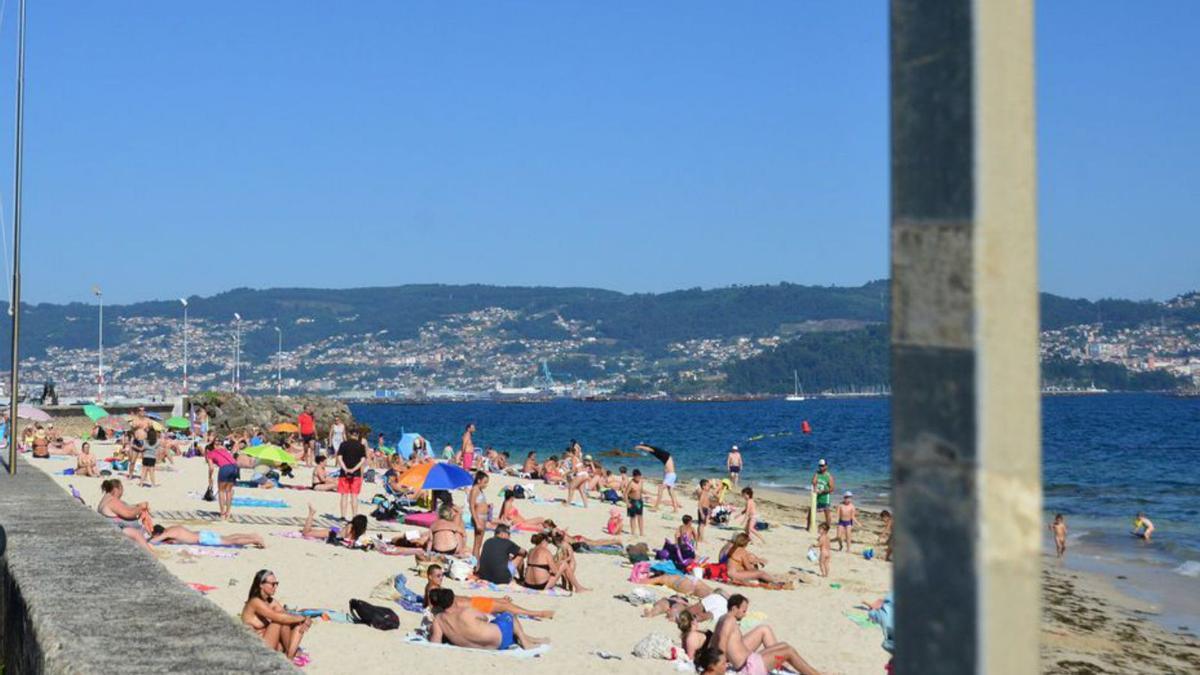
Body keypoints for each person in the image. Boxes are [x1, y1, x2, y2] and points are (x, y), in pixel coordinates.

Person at [713, 594, 819, 675]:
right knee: (788, 651)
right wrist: (720, 665)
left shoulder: (722, 619)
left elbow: (714, 641)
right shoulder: (729, 620)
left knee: (784, 645)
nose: (745, 614)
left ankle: (809, 672)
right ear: (734, 608)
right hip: (749, 667)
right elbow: (722, 640)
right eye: (744, 611)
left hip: (750, 660)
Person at [427, 588, 547, 651]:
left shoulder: (439, 620)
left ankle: (530, 639)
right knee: (508, 614)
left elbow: (435, 642)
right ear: (453, 599)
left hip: (489, 646)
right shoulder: (466, 611)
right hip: (501, 640)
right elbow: (485, 618)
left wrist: (430, 631)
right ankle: (526, 642)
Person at [423, 564, 554, 619]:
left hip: (471, 602)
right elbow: (432, 608)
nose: (441, 578)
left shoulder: (431, 588)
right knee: (505, 606)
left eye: (442, 575)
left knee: (500, 602)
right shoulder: (432, 590)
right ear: (430, 576)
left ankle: (501, 600)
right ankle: (538, 613)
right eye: (438, 576)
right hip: (471, 606)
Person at [241, 569, 312, 664]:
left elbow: (287, 615)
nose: (275, 587)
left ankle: (290, 656)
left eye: (276, 584)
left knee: (296, 623)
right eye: (272, 584)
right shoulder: (255, 602)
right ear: (261, 585)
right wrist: (302, 618)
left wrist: (305, 619)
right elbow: (279, 618)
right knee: (278, 622)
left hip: (272, 644)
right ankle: (291, 655)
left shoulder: (271, 602)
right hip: (257, 649)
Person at [97, 478, 153, 552]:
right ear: (117, 489)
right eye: (122, 488)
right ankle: (151, 554)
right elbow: (128, 513)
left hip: (113, 529)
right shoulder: (112, 501)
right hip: (117, 532)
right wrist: (141, 508)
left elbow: (125, 508)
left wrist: (137, 506)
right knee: (135, 533)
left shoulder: (107, 498)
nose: (122, 492)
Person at [724, 533, 794, 588]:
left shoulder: (733, 548)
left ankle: (770, 579)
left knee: (758, 573)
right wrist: (757, 570)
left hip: (730, 572)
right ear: (745, 543)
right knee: (761, 573)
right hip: (734, 575)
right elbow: (749, 568)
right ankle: (777, 582)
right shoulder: (743, 552)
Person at [301, 504, 372, 549]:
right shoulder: (352, 527)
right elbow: (346, 537)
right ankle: (311, 514)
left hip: (337, 530)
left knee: (312, 532)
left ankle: (309, 525)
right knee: (306, 533)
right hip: (334, 532)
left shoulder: (354, 527)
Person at [635, 443, 680, 512]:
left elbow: (649, 449)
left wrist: (640, 447)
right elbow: (649, 449)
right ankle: (675, 509)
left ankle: (656, 507)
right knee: (671, 492)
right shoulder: (662, 455)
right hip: (669, 476)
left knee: (660, 489)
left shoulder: (659, 452)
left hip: (670, 475)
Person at [336, 430, 367, 521]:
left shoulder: (343, 444)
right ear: (357, 435)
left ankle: (343, 516)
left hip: (344, 473)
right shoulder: (361, 446)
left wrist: (345, 468)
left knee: (344, 495)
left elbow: (339, 458)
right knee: (354, 496)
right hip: (356, 474)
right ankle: (354, 516)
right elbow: (362, 460)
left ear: (349, 435)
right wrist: (353, 469)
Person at [150, 524, 265, 548]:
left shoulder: (168, 533)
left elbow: (153, 541)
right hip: (201, 533)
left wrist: (150, 538)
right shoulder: (172, 528)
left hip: (202, 538)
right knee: (228, 537)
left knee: (229, 542)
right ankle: (251, 535)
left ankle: (254, 539)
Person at [206, 441, 238, 521]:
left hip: (225, 468)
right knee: (229, 491)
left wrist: (210, 477)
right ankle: (228, 513)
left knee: (221, 491)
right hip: (235, 467)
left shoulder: (210, 453)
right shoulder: (223, 450)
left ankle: (222, 514)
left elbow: (211, 468)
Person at [468, 471, 491, 558]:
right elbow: (472, 506)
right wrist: (476, 522)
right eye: (484, 482)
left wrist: (487, 506)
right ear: (478, 480)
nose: (486, 485)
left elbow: (479, 503)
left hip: (483, 517)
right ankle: (475, 563)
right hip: (479, 517)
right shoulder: (474, 490)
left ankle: (476, 561)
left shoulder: (479, 490)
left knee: (479, 543)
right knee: (477, 543)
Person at [810, 459, 835, 530]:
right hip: (816, 497)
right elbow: (813, 482)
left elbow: (832, 489)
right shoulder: (817, 474)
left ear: (826, 466)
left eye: (822, 466)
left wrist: (823, 491)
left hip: (825, 498)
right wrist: (814, 485)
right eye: (820, 466)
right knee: (811, 512)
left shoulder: (829, 476)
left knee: (827, 513)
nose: (821, 467)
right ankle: (809, 527)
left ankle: (827, 528)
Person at [624, 469, 645, 536]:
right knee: (633, 517)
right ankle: (633, 532)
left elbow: (641, 490)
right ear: (634, 476)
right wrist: (627, 503)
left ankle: (641, 532)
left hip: (639, 501)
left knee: (640, 517)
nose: (638, 478)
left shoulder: (641, 481)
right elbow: (625, 494)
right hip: (632, 501)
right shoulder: (631, 483)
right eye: (637, 477)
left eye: (639, 476)